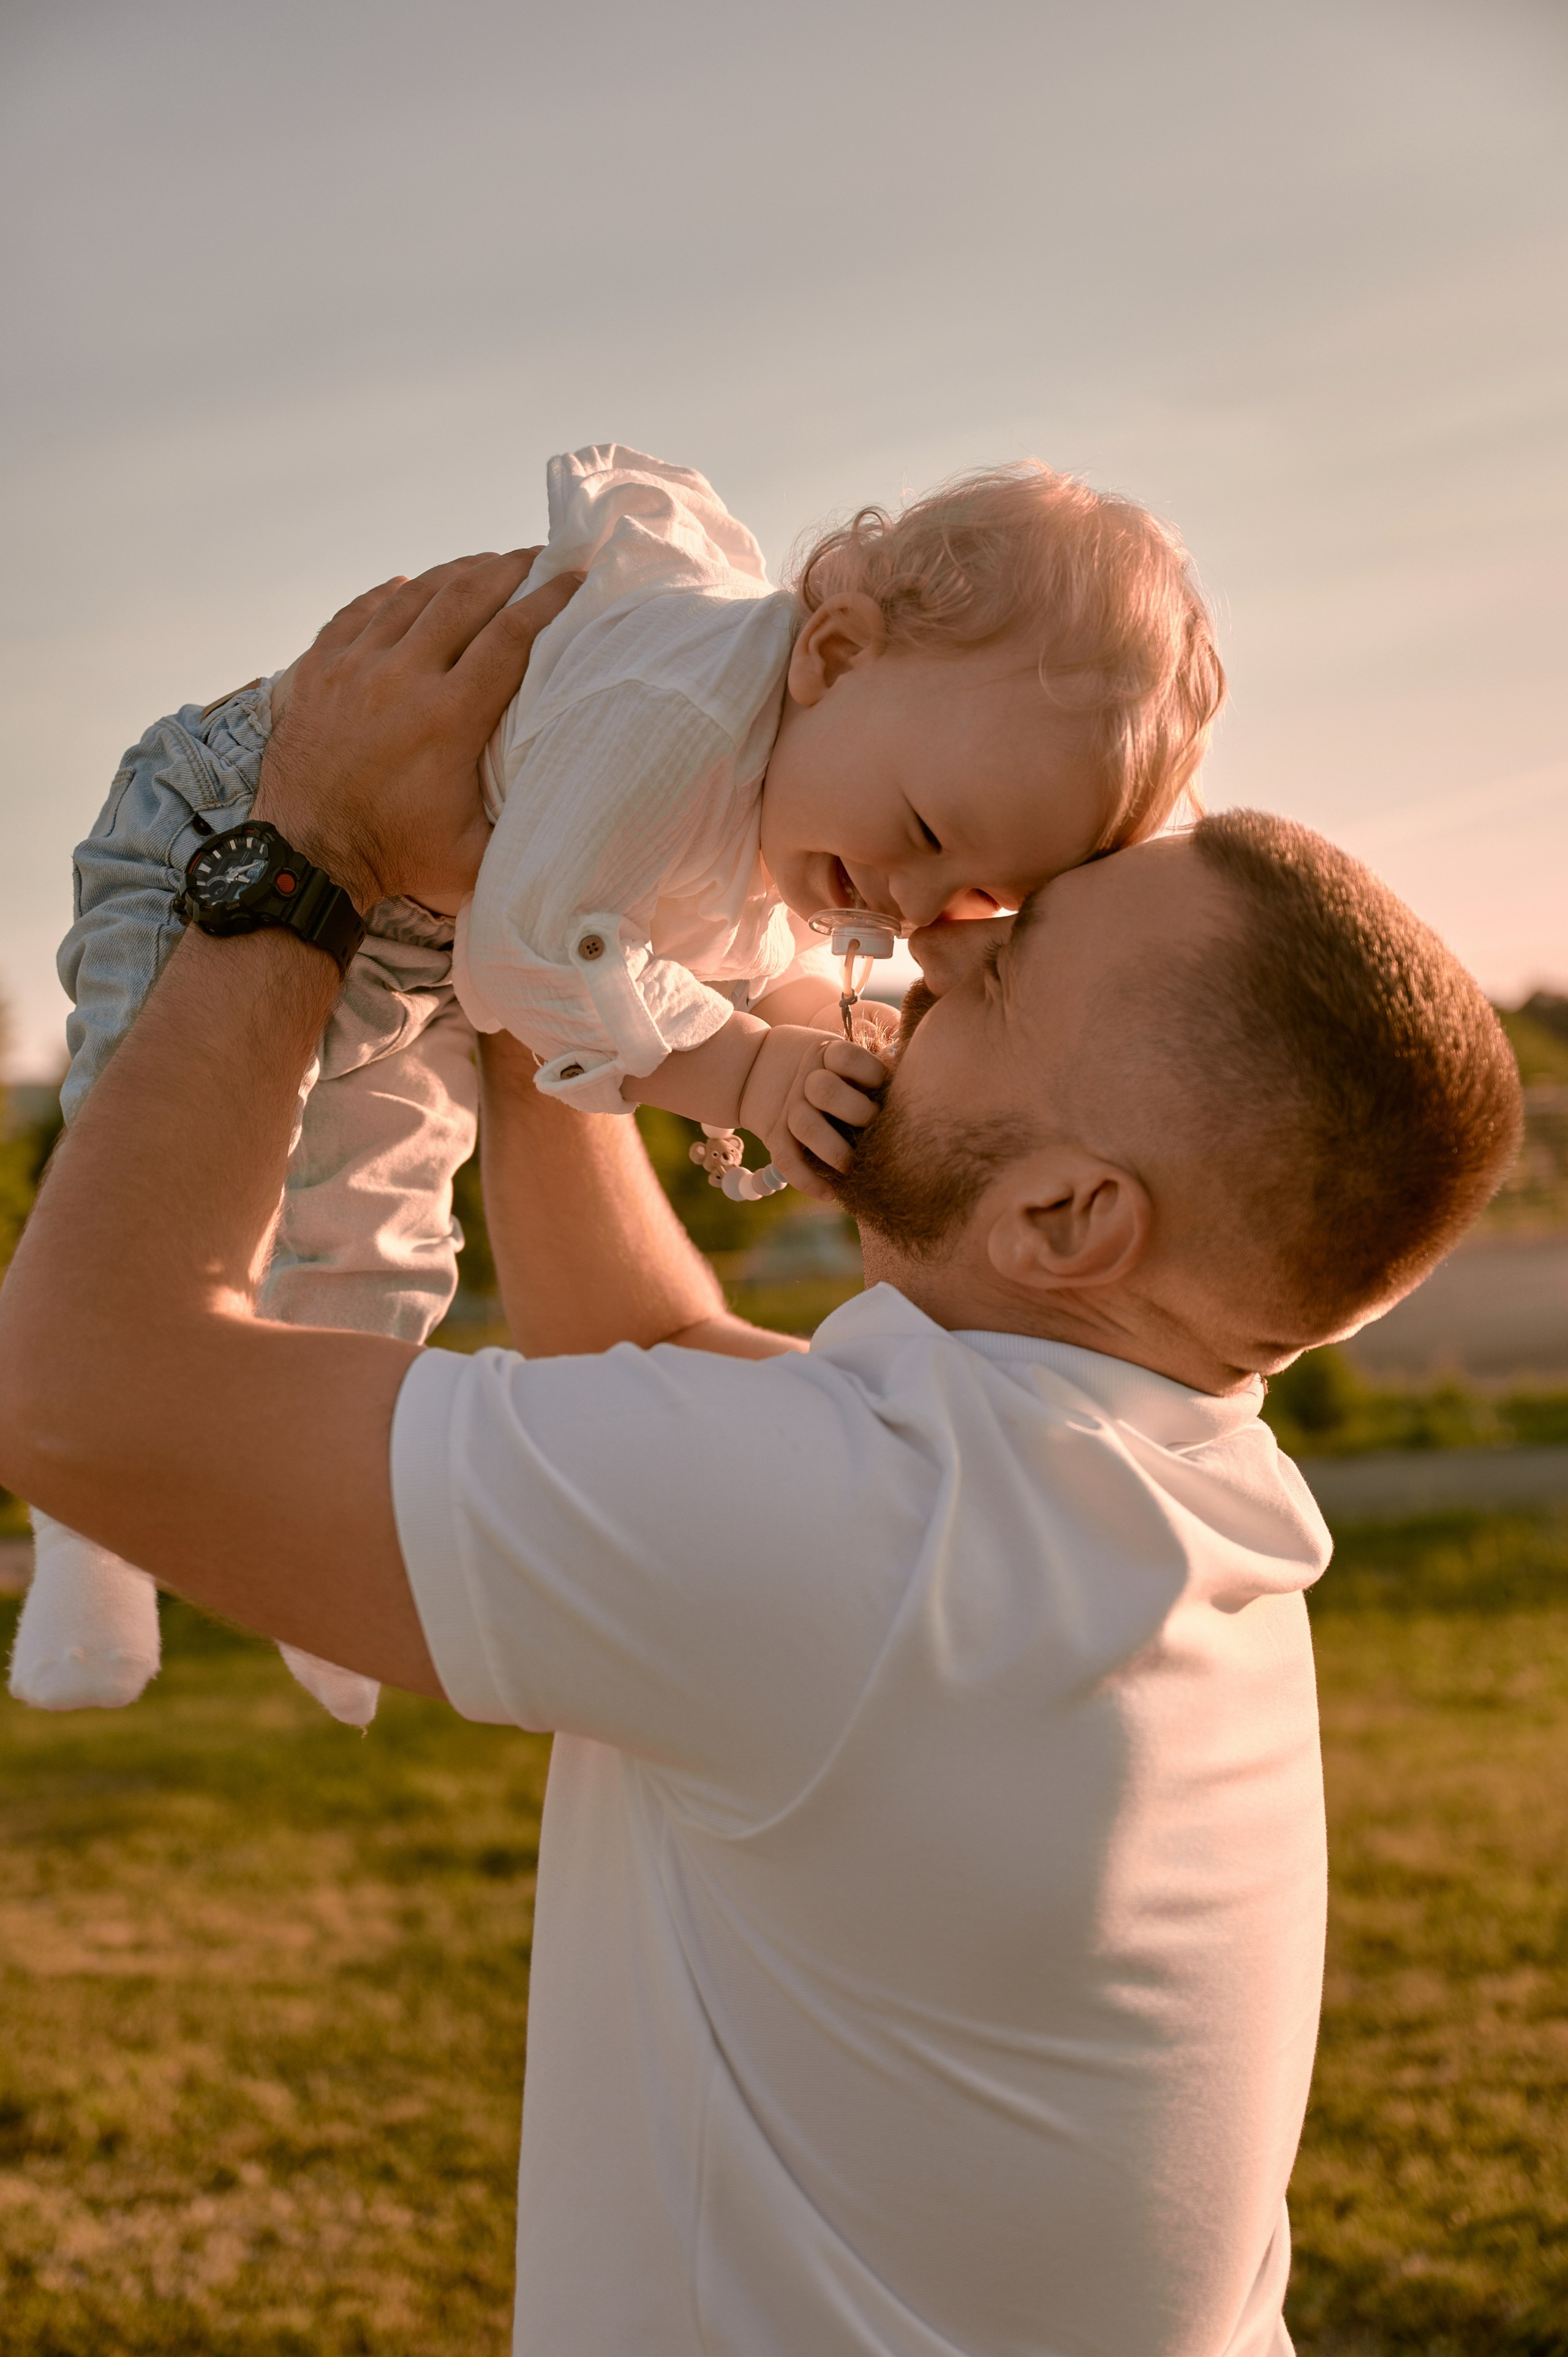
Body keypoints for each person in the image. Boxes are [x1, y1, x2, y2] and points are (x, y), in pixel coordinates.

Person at [0, 553, 1521, 2356]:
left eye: (1008, 971)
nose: (940, 939)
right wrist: (551, 920)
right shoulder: (1146, 1487)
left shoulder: (867, 1545)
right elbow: (644, 1353)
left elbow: (82, 1394)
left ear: (1065, 1216)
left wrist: (308, 848)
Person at [14, 444, 1224, 1724]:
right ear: (832, 654)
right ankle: (88, 1543)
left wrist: (818, 1050)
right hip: (220, 823)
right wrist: (752, 1072)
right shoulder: (680, 708)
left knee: (386, 1223)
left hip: (414, 917)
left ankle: (314, 1567)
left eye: (973, 892)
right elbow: (530, 949)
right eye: (926, 834)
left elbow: (726, 975)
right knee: (156, 1189)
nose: (910, 905)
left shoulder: (818, 792)